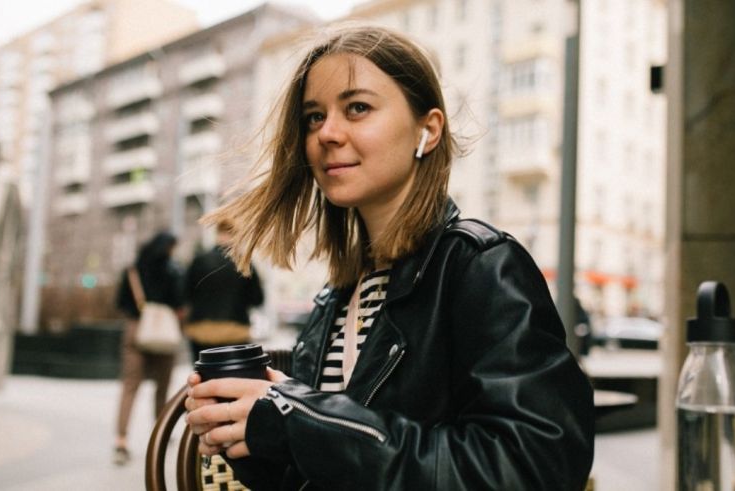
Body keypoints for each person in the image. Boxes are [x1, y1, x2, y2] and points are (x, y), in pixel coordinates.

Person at [184, 24, 594, 490]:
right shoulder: (336, 295)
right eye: (314, 117)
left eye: (357, 108)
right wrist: (249, 432)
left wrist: (298, 419)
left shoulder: (480, 266)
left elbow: (534, 469)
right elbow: (328, 469)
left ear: (429, 129)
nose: (327, 134)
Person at [113, 231, 185, 465]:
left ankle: (121, 441)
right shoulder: (172, 270)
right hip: (163, 331)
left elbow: (121, 302)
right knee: (162, 387)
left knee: (130, 386)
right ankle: (161, 434)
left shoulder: (132, 270)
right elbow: (179, 302)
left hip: (136, 329)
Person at [184, 220, 265, 362]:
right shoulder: (244, 263)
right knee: (232, 378)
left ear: (217, 233)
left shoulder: (199, 260)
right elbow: (258, 299)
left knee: (204, 378)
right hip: (235, 331)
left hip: (201, 330)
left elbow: (184, 294)